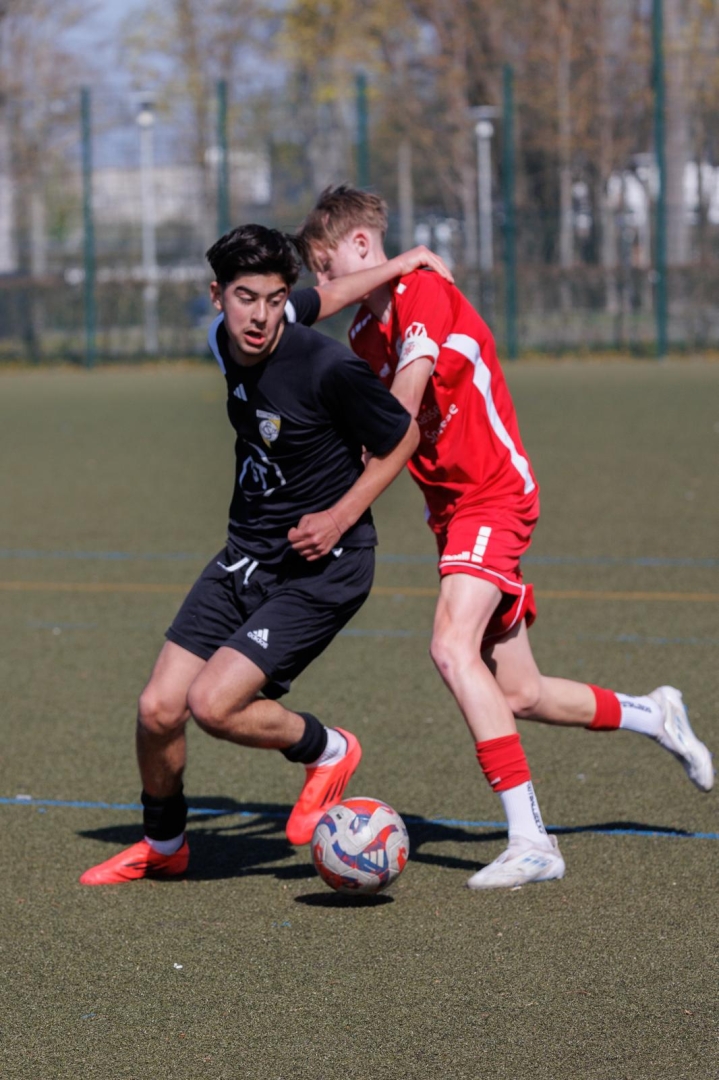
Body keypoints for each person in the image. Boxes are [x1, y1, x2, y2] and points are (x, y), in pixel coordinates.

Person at [294, 184, 714, 890]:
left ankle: (531, 840)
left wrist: (345, 504)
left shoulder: (424, 291)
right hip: (452, 515)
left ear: (362, 246)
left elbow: (401, 408)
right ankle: (654, 713)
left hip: (493, 495)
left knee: (450, 647)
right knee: (519, 692)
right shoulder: (364, 333)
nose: (322, 282)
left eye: (324, 265)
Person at [80, 224, 421, 885]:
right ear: (218, 297)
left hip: (325, 565)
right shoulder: (225, 338)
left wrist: (339, 516)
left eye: (274, 299)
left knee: (213, 705)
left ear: (284, 297)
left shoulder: (326, 367)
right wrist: (400, 262)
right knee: (158, 709)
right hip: (247, 554)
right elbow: (327, 296)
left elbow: (402, 436)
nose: (261, 316)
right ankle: (165, 845)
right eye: (245, 298)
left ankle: (328, 749)